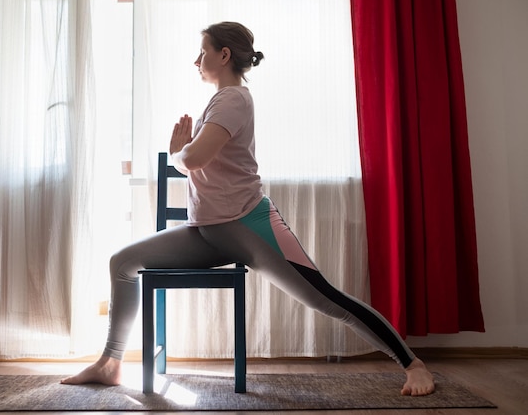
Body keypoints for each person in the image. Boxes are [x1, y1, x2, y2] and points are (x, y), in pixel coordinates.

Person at [61, 21, 435, 396]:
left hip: (252, 229)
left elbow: (194, 157)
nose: (196, 60)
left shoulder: (233, 99)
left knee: (326, 298)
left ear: (224, 55)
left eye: (203, 51)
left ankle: (413, 364)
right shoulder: (219, 101)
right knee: (122, 262)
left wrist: (179, 152)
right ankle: (110, 364)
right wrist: (185, 153)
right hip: (207, 233)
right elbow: (195, 157)